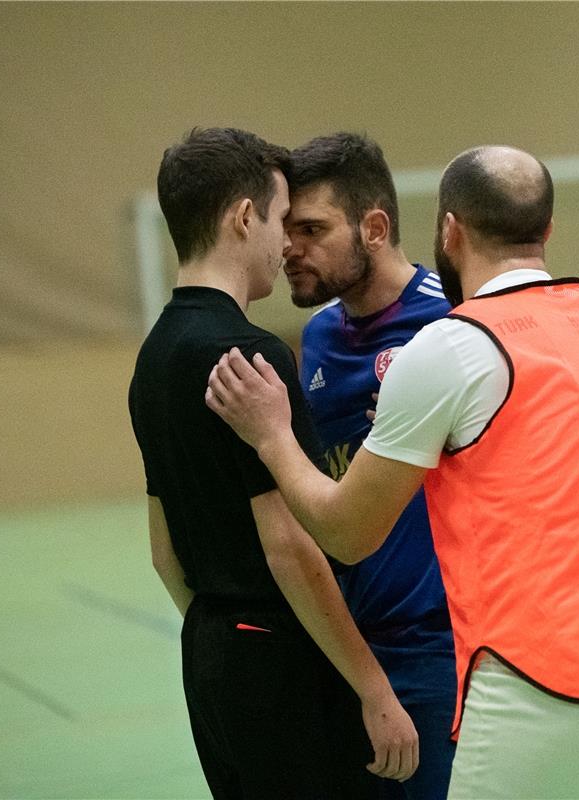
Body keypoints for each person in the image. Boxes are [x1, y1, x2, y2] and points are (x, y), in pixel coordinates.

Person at [205, 145, 579, 799]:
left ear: (447, 230)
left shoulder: (451, 341)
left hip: (544, 681)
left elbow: (348, 529)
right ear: (547, 231)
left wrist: (270, 436)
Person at [128, 127, 417, 799]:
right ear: (245, 216)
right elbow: (291, 546)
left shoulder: (154, 356)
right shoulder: (250, 355)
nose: (287, 244)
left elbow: (163, 552)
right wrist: (373, 688)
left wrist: (224, 639)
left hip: (209, 655)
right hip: (286, 661)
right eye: (283, 220)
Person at [283, 132, 456, 800]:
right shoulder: (319, 336)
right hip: (354, 651)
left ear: (375, 227)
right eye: (285, 229)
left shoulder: (453, 319)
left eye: (313, 229)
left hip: (445, 648)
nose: (291, 248)